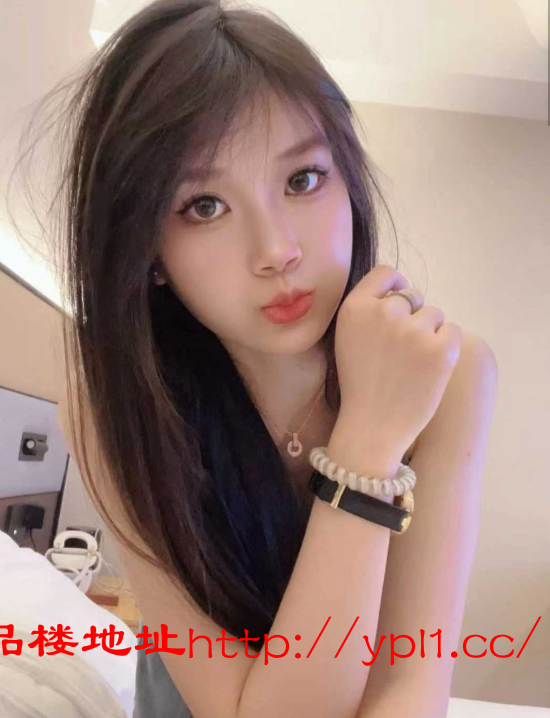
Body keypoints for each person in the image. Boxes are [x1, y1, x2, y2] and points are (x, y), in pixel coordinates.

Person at [14, 1, 498, 716]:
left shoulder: (448, 374)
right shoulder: (114, 404)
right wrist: (367, 444)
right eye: (204, 206)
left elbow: (409, 683)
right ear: (147, 249)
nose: (276, 251)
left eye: (303, 180)